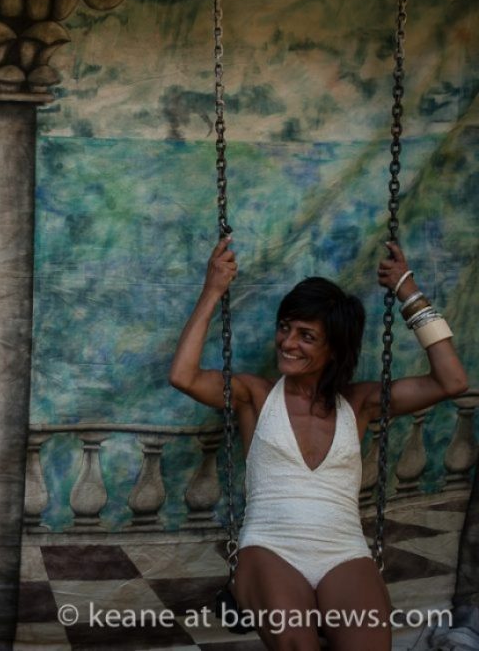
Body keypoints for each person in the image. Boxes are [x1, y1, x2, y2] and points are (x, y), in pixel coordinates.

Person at [169, 236, 469, 650]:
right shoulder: (255, 396)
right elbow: (182, 376)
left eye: (307, 336)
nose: (288, 343)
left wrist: (407, 290)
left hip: (342, 551)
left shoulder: (359, 404)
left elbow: (452, 381)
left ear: (334, 349)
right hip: (270, 547)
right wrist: (213, 290)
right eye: (285, 328)